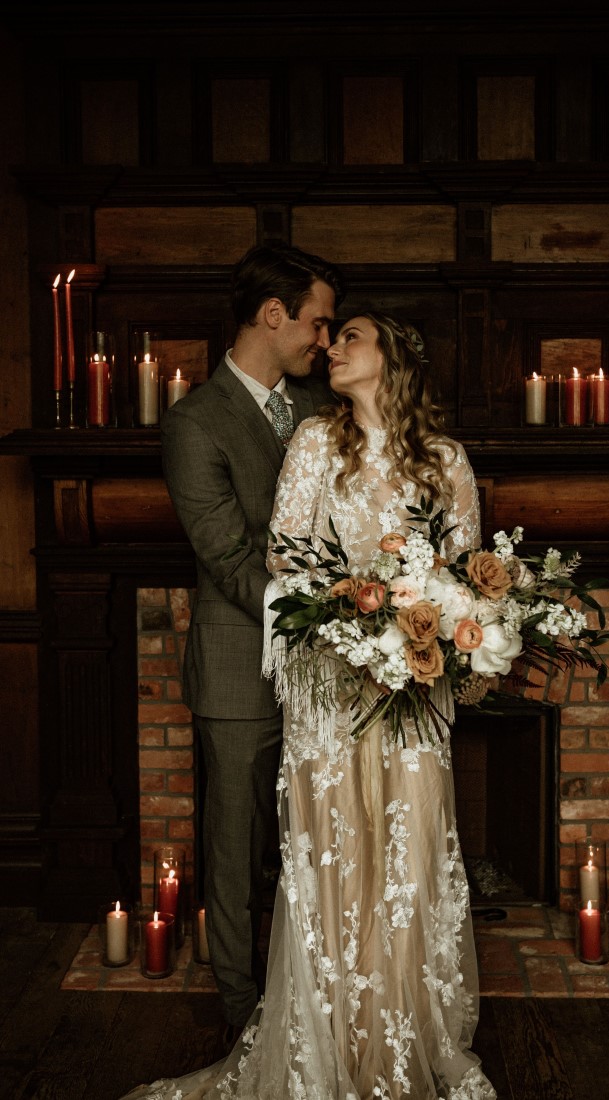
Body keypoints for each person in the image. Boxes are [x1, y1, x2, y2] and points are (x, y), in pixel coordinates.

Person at [123, 313, 496, 1098]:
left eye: (350, 336)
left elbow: (464, 572)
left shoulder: (447, 461)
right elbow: (284, 558)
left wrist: (430, 618)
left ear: (391, 357)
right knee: (334, 862)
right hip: (330, 693)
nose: (331, 348)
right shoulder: (315, 447)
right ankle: (327, 1043)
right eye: (330, 337)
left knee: (405, 862)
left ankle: (399, 1042)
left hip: (414, 696)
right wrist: (361, 614)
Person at [160, 242, 344, 1034]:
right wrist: (319, 615)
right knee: (234, 853)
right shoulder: (195, 422)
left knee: (309, 844)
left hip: (326, 672)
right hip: (240, 671)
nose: (324, 340)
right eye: (317, 322)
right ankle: (242, 1017)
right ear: (275, 316)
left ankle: (309, 1002)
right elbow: (227, 553)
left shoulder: (318, 411)